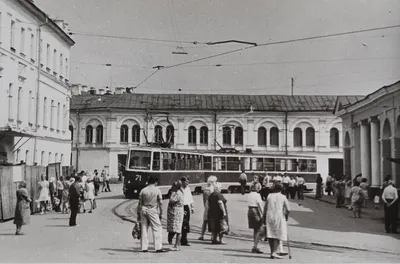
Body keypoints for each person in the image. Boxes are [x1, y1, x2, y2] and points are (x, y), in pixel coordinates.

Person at [137, 176, 168, 253]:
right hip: (152, 210)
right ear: (155, 182)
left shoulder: (143, 190)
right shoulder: (157, 190)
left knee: (144, 228)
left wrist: (138, 213)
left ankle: (144, 247)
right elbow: (160, 203)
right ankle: (158, 247)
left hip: (143, 209)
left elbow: (139, 203)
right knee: (157, 228)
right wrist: (161, 212)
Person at [264, 184, 290, 259]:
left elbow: (265, 208)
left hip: (269, 216)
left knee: (270, 234)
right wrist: (286, 216)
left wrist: (263, 216)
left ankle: (272, 252)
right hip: (279, 216)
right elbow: (288, 209)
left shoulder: (269, 196)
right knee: (278, 234)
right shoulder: (283, 197)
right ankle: (274, 252)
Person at [167, 181, 185, 251]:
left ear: (176, 187)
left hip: (177, 213)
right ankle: (176, 245)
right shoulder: (178, 193)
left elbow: (171, 201)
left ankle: (177, 246)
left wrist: (171, 194)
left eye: (173, 186)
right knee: (177, 229)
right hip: (176, 213)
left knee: (178, 229)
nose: (172, 187)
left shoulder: (177, 193)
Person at [199, 175, 217, 241]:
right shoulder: (214, 190)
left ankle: (202, 235)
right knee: (213, 221)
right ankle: (212, 236)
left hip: (207, 205)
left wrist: (205, 206)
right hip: (212, 206)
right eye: (215, 181)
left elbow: (204, 200)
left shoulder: (205, 190)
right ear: (213, 182)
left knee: (205, 221)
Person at [247, 182, 264, 254]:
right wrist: (263, 213)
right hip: (255, 210)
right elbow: (259, 204)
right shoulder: (257, 195)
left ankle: (255, 245)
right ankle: (255, 246)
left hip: (250, 210)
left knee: (255, 229)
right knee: (259, 229)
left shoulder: (249, 194)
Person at [180, 176, 194, 246]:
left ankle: (183, 239)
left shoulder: (188, 188)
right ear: (182, 182)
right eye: (186, 181)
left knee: (186, 223)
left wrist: (192, 207)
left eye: (188, 182)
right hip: (181, 207)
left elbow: (190, 197)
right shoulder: (179, 188)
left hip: (186, 207)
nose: (187, 183)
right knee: (183, 224)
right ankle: (183, 240)